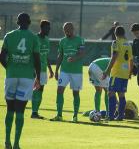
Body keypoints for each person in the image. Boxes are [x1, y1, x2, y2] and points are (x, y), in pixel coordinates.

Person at [0, 13, 41, 149]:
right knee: (20, 111)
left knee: (10, 109)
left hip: (12, 76)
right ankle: (17, 143)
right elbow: (36, 59)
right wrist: (38, 77)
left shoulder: (9, 36)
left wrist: (10, 68)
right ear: (29, 23)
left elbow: (2, 57)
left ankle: (7, 142)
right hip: (26, 77)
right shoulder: (34, 38)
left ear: (17, 22)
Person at [50, 22, 85, 123]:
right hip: (64, 71)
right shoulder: (62, 41)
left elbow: (82, 53)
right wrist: (56, 70)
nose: (66, 32)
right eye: (65, 30)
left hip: (76, 72)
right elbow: (60, 56)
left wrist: (74, 58)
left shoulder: (80, 40)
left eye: (68, 29)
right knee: (59, 90)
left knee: (75, 93)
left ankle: (75, 116)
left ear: (73, 29)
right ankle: (59, 115)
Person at [102, 26, 133, 121]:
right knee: (121, 94)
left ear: (115, 34)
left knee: (111, 93)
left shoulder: (115, 42)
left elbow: (114, 56)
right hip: (125, 73)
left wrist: (107, 71)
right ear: (124, 34)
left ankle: (110, 116)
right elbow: (131, 60)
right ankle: (120, 116)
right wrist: (130, 72)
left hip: (116, 73)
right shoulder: (128, 44)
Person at [31, 20, 54, 119]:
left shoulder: (47, 40)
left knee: (40, 90)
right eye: (47, 28)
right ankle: (33, 112)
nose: (49, 30)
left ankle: (35, 112)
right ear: (42, 28)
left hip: (43, 69)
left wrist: (50, 69)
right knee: (35, 89)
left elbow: (46, 56)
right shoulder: (34, 38)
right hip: (34, 69)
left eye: (49, 28)